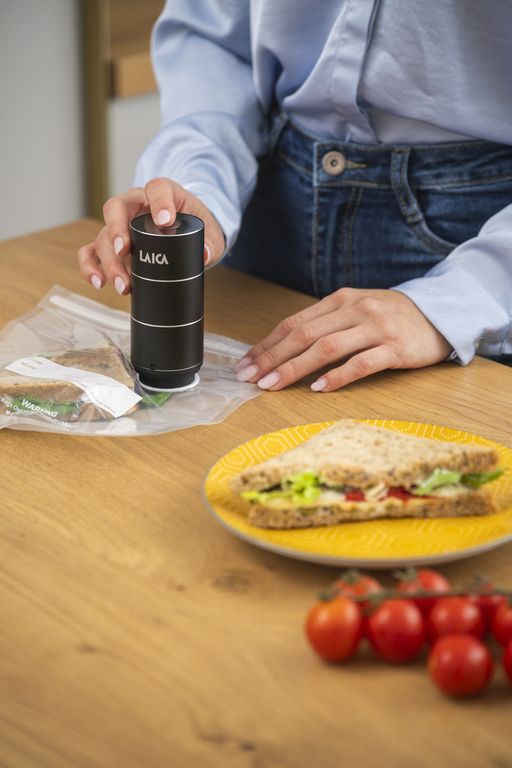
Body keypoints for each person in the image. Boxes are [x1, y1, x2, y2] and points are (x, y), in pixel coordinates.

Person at [78, 0, 512, 393]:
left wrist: (458, 302)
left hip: (474, 241)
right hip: (268, 209)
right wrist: (197, 186)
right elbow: (215, 40)